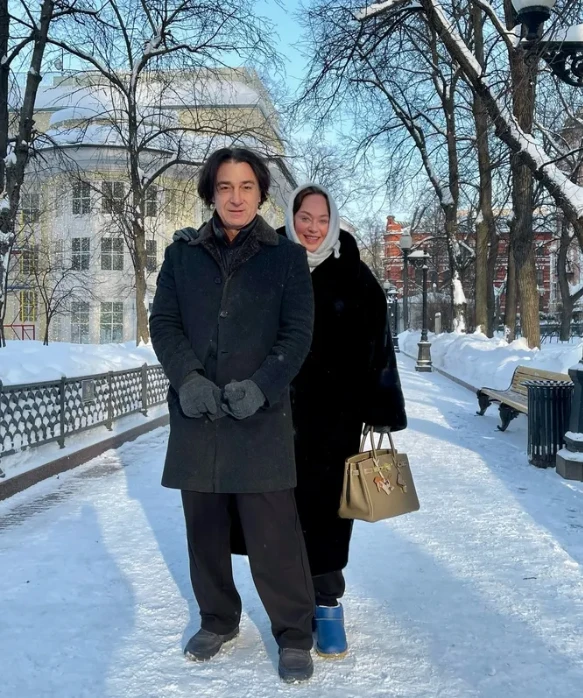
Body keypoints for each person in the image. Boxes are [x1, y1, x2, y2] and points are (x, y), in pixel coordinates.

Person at [149, 148, 316, 683]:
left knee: (275, 537)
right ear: (211, 193)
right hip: (198, 417)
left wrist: (263, 387)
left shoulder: (286, 258)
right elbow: (164, 323)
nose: (236, 197)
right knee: (204, 530)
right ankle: (217, 619)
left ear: (261, 193)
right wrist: (188, 379)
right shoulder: (182, 256)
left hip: (259, 419)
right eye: (225, 187)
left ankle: (295, 634)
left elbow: (297, 335)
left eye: (246, 186)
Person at [280, 183, 407, 658]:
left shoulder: (354, 271)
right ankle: (292, 606)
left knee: (328, 513)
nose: (312, 228)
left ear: (332, 222)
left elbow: (379, 342)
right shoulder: (270, 260)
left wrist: (382, 408)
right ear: (291, 217)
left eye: (321, 219)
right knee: (279, 515)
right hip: (275, 415)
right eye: (304, 217)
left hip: (335, 419)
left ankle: (328, 604)